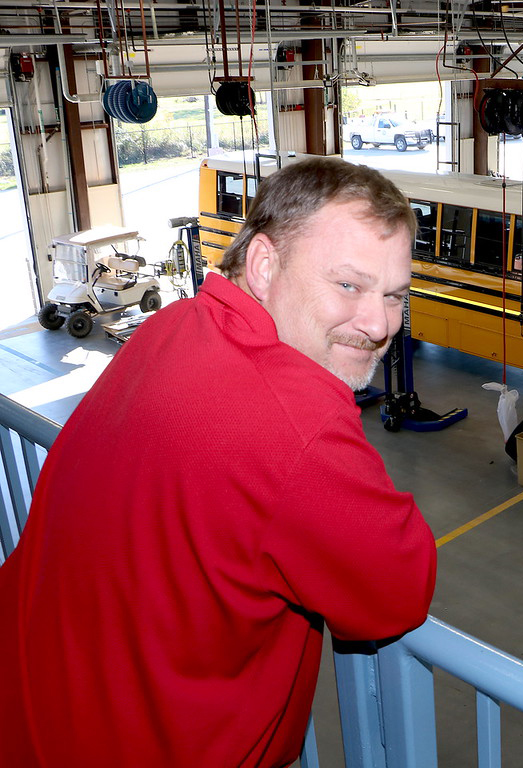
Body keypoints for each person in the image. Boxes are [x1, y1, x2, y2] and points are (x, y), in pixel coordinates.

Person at [0, 157, 438, 767]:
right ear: (263, 265)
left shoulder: (175, 323)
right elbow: (397, 591)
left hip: (31, 700)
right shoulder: (296, 423)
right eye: (349, 285)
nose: (378, 323)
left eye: (395, 295)